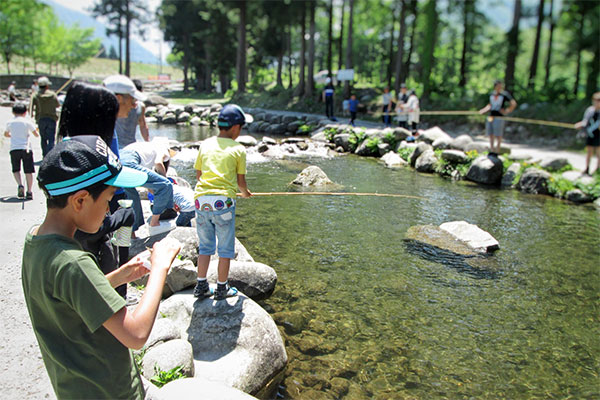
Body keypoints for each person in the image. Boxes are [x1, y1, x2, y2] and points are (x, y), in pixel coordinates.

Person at [22, 135, 182, 399]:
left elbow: (71, 297)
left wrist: (120, 276)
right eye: (108, 200)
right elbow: (136, 334)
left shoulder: (37, 242)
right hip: (110, 392)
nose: (109, 210)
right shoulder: (74, 262)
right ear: (80, 200)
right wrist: (161, 267)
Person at [58, 81, 135, 296]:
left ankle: (121, 285)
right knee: (125, 219)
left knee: (123, 224)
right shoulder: (87, 155)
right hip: (95, 224)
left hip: (104, 211)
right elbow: (85, 224)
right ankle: (120, 291)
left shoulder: (68, 147)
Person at [193, 104, 252, 300]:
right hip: (223, 204)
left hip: (201, 201)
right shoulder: (238, 149)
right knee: (225, 248)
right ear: (235, 127)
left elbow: (199, 175)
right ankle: (221, 287)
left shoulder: (205, 144)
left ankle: (201, 285)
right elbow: (240, 183)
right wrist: (245, 193)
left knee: (205, 246)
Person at [120, 139, 174, 235]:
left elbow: (149, 185)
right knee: (165, 185)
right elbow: (158, 163)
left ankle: (132, 235)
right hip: (129, 162)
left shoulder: (146, 148)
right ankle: (155, 223)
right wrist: (165, 180)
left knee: (132, 198)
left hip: (117, 163)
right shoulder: (162, 148)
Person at [4, 102, 39, 199]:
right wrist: (35, 130)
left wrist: (13, 136)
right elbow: (36, 134)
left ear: (13, 112)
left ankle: (20, 184)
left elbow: (6, 134)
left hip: (14, 148)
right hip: (26, 148)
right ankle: (29, 191)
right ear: (25, 112)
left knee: (16, 169)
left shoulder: (10, 122)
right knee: (28, 171)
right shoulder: (27, 122)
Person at [478, 79, 517, 155]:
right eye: (498, 86)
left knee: (498, 134)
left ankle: (497, 151)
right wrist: (483, 110)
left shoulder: (504, 95)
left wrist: (507, 111)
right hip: (491, 116)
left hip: (499, 117)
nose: (499, 88)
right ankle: (492, 150)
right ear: (495, 87)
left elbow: (513, 103)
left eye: (500, 86)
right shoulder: (492, 94)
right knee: (490, 133)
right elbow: (490, 105)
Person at [115, 79, 150, 149]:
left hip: (131, 145)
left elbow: (143, 125)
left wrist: (148, 143)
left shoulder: (141, 106)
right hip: (116, 145)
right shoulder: (118, 106)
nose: (135, 101)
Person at [32, 76, 60, 157]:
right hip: (51, 119)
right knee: (51, 138)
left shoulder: (36, 95)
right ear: (47, 85)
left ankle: (44, 155)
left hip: (41, 119)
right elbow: (57, 105)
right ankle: (50, 156)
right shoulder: (52, 95)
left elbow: (32, 106)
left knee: (43, 139)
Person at [574, 92, 600, 175]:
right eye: (595, 101)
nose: (596, 103)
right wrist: (580, 124)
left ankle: (598, 169)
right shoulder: (590, 110)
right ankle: (587, 168)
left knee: (599, 152)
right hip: (590, 133)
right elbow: (585, 121)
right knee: (589, 151)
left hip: (598, 134)